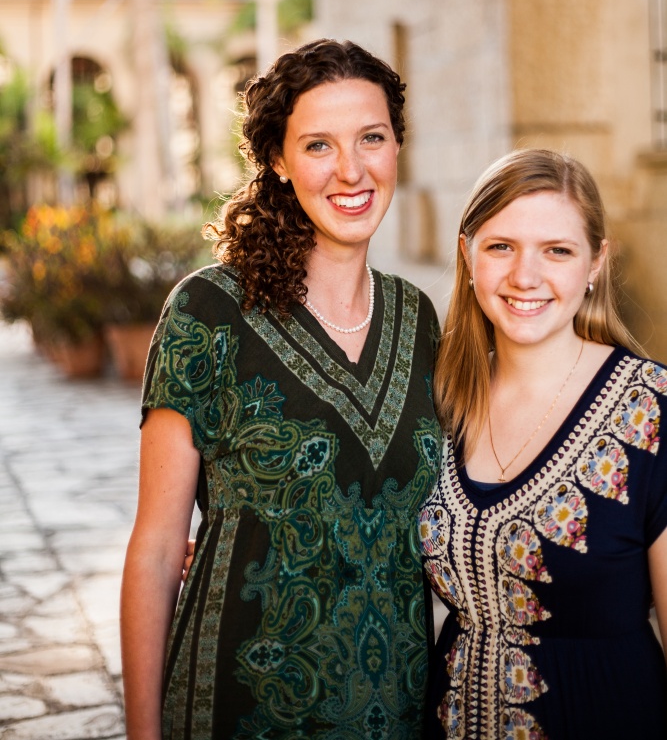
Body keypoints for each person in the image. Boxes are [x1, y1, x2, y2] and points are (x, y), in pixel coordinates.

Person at [120, 39, 442, 740]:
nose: (351, 170)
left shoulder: (418, 318)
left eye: (371, 138)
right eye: (319, 145)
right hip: (241, 708)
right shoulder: (207, 311)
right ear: (277, 161)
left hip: (398, 710)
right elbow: (154, 547)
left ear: (396, 149)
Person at [419, 148, 667, 739]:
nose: (525, 276)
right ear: (468, 254)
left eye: (557, 250)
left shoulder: (653, 410)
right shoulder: (441, 401)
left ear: (594, 263)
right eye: (501, 246)